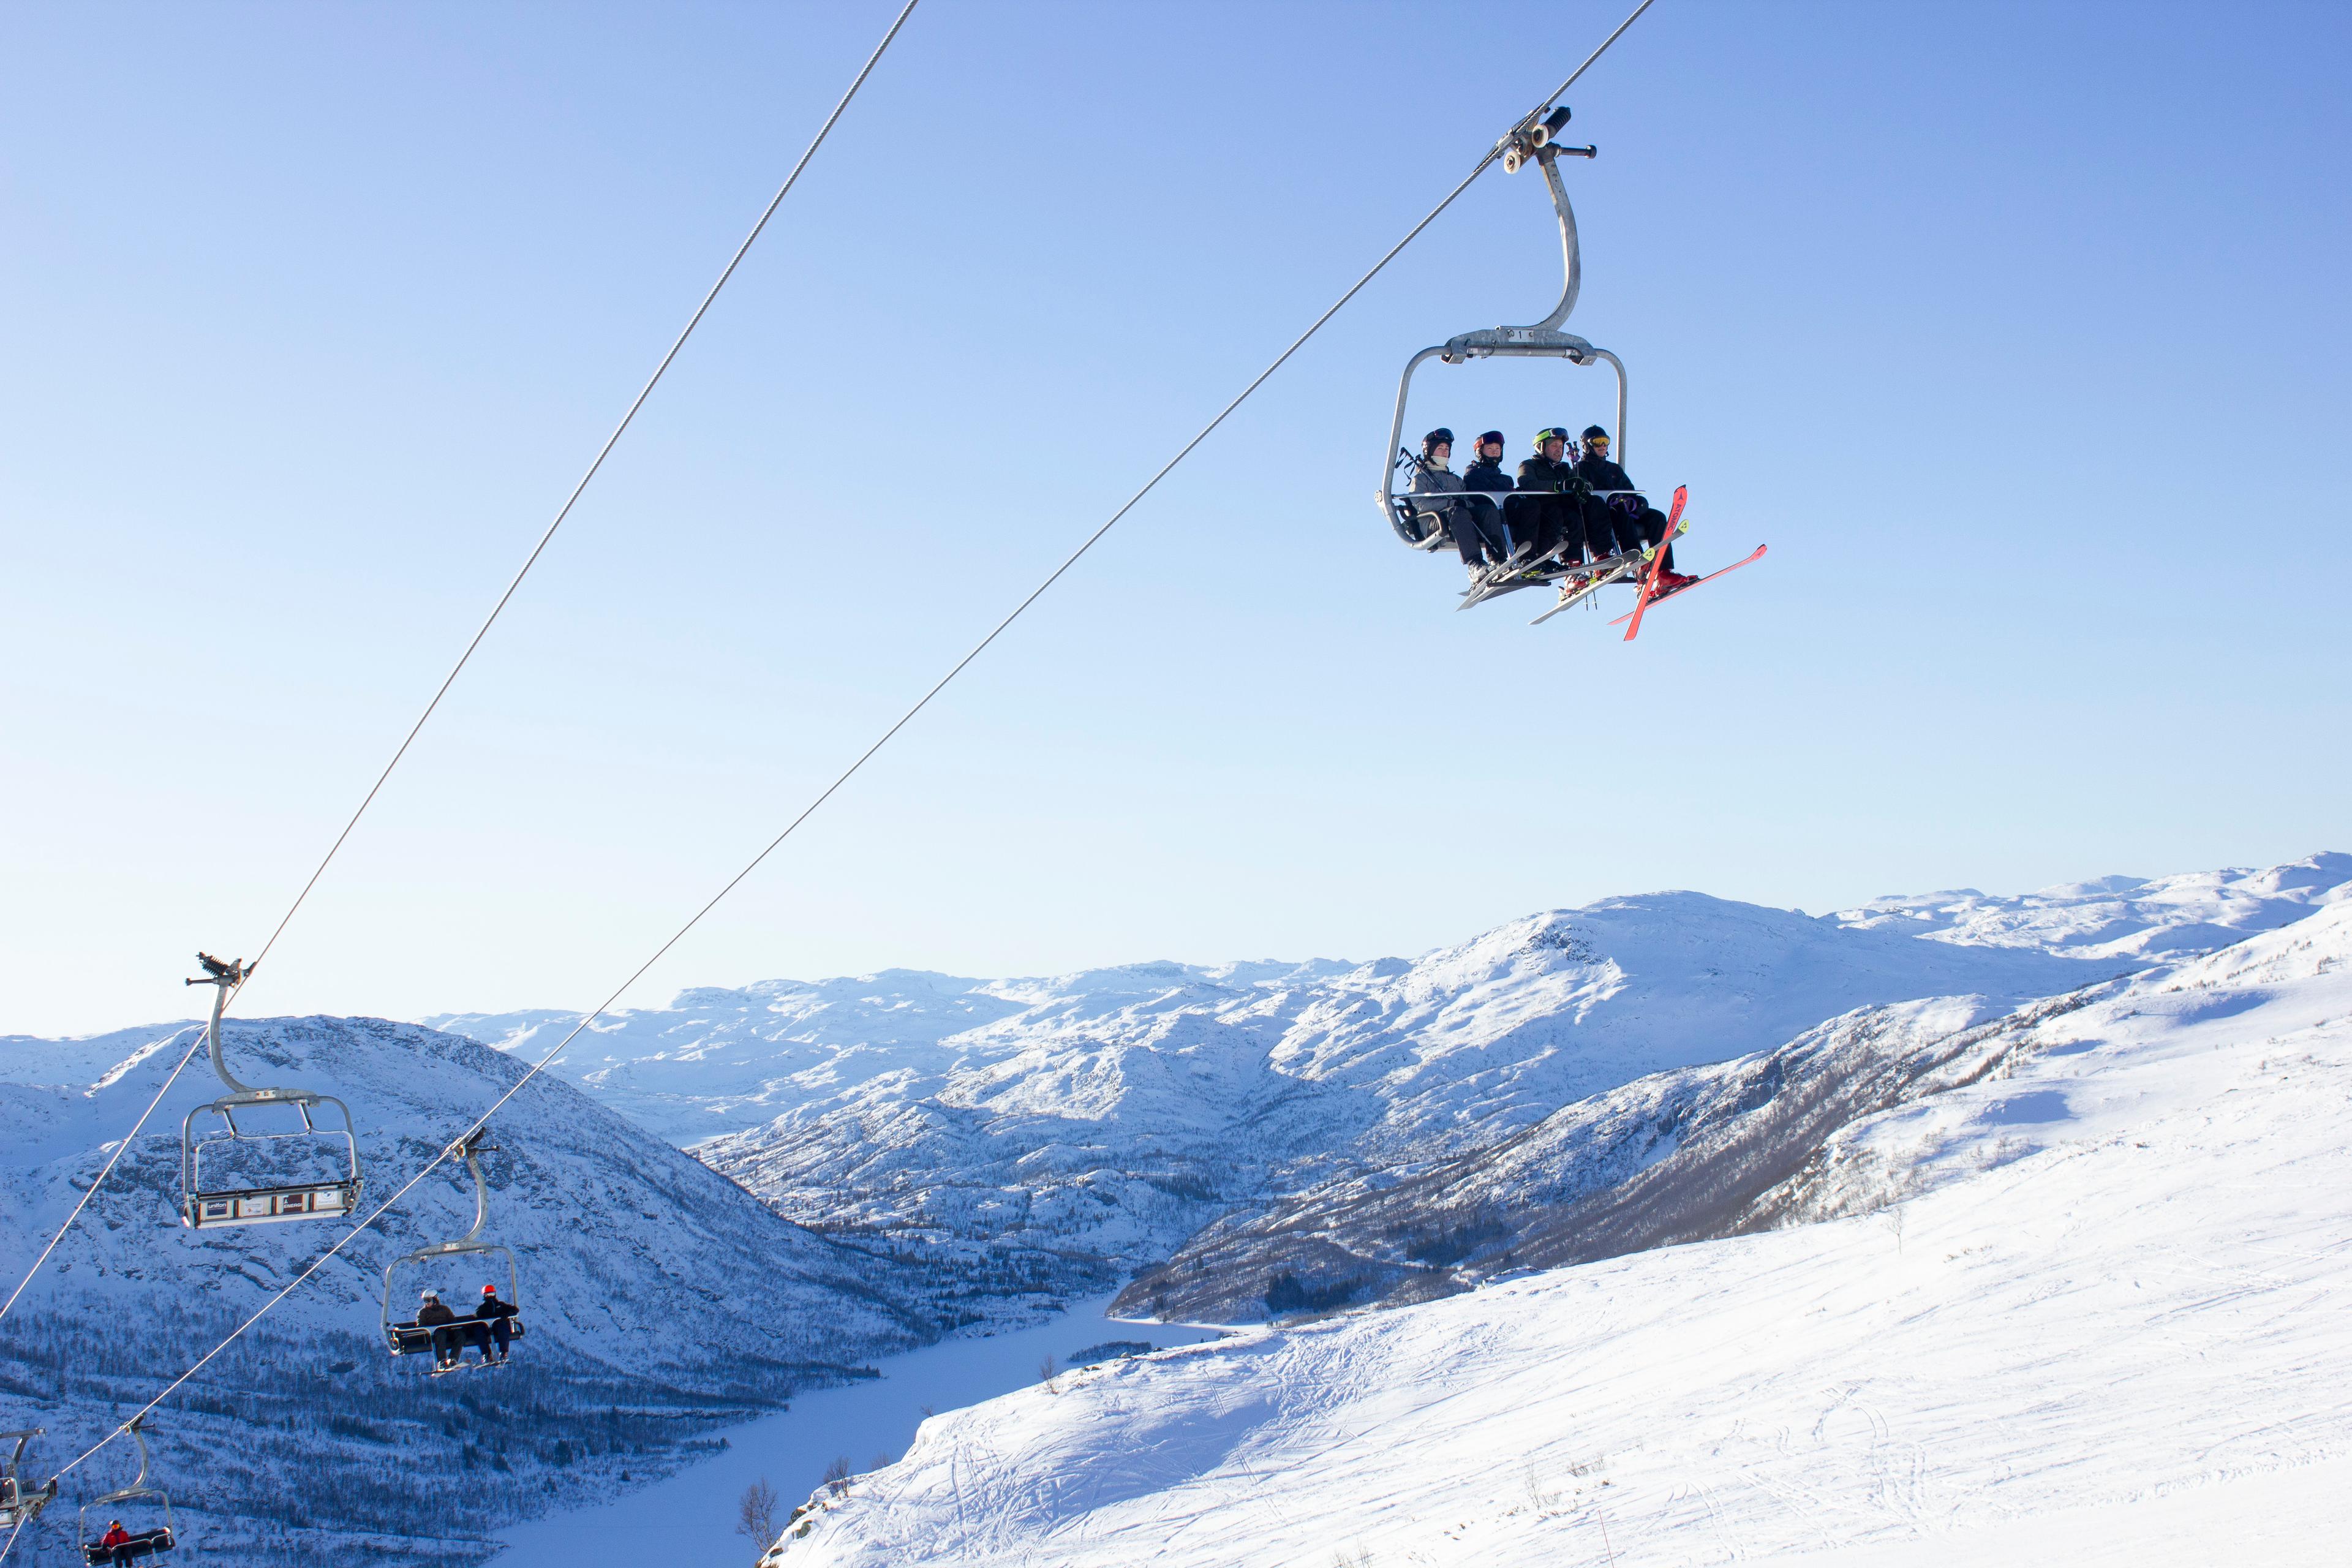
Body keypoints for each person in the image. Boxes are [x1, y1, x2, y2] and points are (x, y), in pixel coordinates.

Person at [1574, 425, 1693, 588]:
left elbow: (1630, 491)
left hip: (1623, 511)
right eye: (1597, 442)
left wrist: (1637, 504)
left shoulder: (1614, 469)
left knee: (1657, 517)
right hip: (1604, 515)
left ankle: (1664, 572)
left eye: (1605, 441)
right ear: (1587, 446)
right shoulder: (1581, 469)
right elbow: (1583, 496)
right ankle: (1636, 561)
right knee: (1619, 510)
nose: (1602, 445)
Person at [1406, 428, 1505, 582]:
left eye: (1447, 449)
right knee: (1457, 512)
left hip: (1458, 517)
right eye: (1440, 448)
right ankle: (1474, 564)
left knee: (1488, 510)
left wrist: (1463, 503)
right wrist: (1451, 503)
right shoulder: (1420, 479)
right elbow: (1420, 503)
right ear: (1430, 451)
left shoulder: (1456, 480)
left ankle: (1498, 558)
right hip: (1433, 522)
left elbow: (1468, 500)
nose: (1445, 452)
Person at [1506, 426, 1590, 568]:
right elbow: (1527, 483)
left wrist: (1583, 487)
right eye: (1554, 445)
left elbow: (1580, 481)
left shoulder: (1563, 468)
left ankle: (1572, 561)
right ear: (1541, 447)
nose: (1559, 450)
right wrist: (1558, 486)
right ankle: (1530, 559)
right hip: (1540, 507)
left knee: (1574, 519)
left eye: (1561, 446)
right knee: (1553, 514)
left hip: (1560, 508)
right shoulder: (1529, 464)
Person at [416, 1288, 463, 1370]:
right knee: (441, 1334)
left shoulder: (444, 1309)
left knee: (460, 1335)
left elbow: (453, 1321)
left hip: (446, 1332)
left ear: (435, 1300)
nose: (426, 1303)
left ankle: (453, 1359)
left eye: (428, 1300)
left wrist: (450, 1327)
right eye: (425, 1301)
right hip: (433, 1335)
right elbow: (421, 1327)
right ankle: (442, 1362)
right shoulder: (423, 1312)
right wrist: (432, 1329)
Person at [474, 1283, 519, 1364]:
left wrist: (507, 1314)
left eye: (492, 1294)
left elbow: (515, 1310)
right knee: (479, 1331)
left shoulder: (501, 1305)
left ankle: (503, 1353)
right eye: (488, 1295)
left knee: (502, 1328)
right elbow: (477, 1318)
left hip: (499, 1327)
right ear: (485, 1296)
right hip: (487, 1328)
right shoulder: (482, 1309)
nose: (491, 1297)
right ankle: (486, 1354)